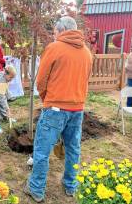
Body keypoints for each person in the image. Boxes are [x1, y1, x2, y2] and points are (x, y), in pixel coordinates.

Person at [24, 16, 93, 203]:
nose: (54, 35)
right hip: (77, 108)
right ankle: (71, 185)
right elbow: (85, 81)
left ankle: (36, 189)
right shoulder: (87, 52)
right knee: (73, 148)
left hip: (55, 108)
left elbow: (41, 80)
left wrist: (46, 99)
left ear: (60, 30)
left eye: (54, 32)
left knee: (42, 150)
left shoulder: (54, 48)